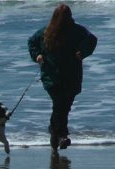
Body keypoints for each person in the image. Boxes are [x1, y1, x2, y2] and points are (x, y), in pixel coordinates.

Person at [28, 4, 97, 150]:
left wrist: (82, 52)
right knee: (60, 104)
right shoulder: (46, 32)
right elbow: (32, 42)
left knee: (64, 106)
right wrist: (37, 55)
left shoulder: (77, 31)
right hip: (51, 76)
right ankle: (61, 136)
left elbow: (92, 40)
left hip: (71, 75)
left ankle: (54, 133)